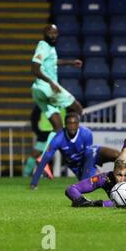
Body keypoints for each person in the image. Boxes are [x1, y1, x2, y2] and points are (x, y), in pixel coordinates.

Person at [31, 24, 84, 160]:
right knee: (77, 108)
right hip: (46, 88)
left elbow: (53, 62)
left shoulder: (50, 49)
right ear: (44, 33)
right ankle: (72, 141)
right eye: (50, 32)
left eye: (55, 33)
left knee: (58, 129)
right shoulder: (43, 45)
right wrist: (50, 83)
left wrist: (70, 63)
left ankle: (42, 157)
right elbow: (35, 68)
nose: (53, 35)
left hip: (38, 91)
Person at [30, 112, 120, 189]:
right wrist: (34, 183)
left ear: (78, 124)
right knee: (95, 184)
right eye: (69, 123)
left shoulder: (86, 133)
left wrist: (85, 178)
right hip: (77, 165)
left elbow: (89, 155)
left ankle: (125, 178)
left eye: (75, 123)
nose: (72, 126)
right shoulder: (58, 138)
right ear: (65, 125)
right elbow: (45, 159)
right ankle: (102, 176)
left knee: (117, 155)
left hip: (91, 156)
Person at [23, 105, 65, 178]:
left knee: (66, 155)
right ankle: (25, 175)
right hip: (45, 134)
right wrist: (38, 132)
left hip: (61, 133)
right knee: (35, 155)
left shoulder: (64, 103)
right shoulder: (42, 104)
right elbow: (34, 118)